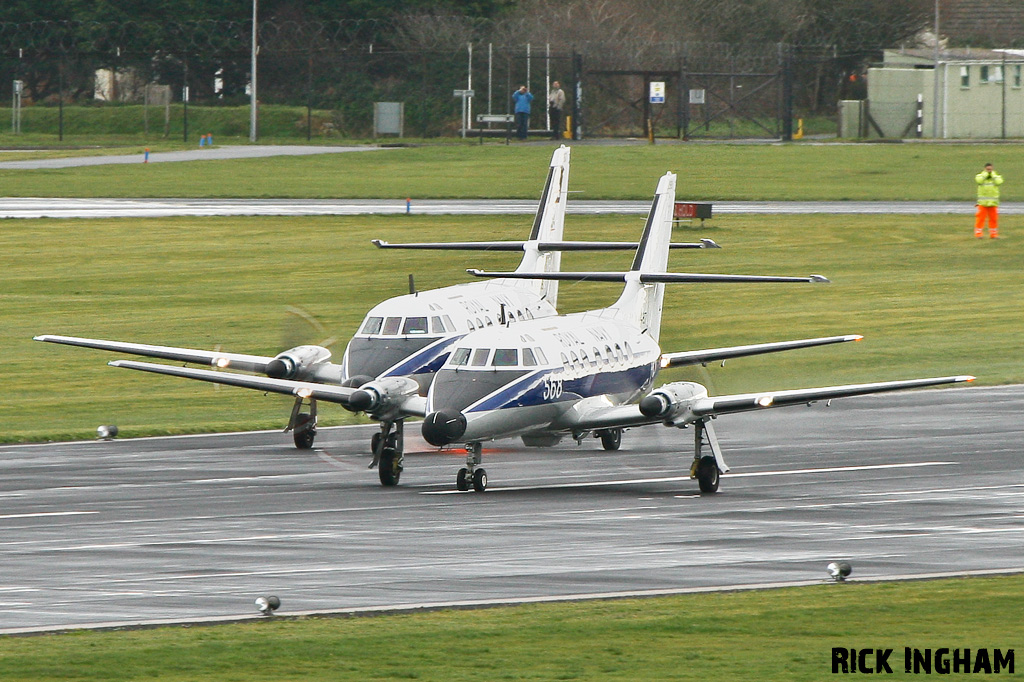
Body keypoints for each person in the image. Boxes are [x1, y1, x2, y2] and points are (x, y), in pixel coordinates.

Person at [975, 163, 1003, 239]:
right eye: (988, 169)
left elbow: (999, 182)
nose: (989, 171)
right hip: (983, 203)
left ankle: (993, 235)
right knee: (980, 219)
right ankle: (979, 234)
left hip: (993, 203)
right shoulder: (980, 176)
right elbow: (979, 181)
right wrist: (985, 174)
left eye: (990, 169)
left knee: (993, 219)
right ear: (984, 169)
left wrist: (993, 175)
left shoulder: (996, 176)